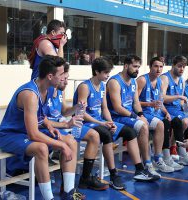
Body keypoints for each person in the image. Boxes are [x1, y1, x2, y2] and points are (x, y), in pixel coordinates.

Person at [0, 55, 85, 200]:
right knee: (42, 148)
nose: (64, 77)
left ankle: (69, 192)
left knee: (70, 140)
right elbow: (34, 135)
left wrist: (50, 125)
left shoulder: (48, 89)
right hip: (11, 135)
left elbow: (41, 114)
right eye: (62, 74)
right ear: (50, 76)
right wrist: (61, 145)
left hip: (26, 132)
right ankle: (49, 198)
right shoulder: (30, 94)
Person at [74, 57, 160, 185]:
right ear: (97, 72)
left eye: (109, 72)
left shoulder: (102, 85)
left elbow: (105, 108)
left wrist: (110, 122)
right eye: (105, 73)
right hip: (85, 123)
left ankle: (139, 170)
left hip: (99, 121)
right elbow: (81, 113)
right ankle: (114, 174)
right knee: (106, 133)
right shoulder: (85, 87)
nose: (108, 75)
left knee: (130, 133)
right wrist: (102, 123)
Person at [43, 63, 110, 191]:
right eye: (65, 78)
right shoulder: (46, 91)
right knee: (71, 142)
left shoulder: (60, 91)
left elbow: (64, 112)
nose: (67, 82)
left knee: (94, 136)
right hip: (51, 128)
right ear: (56, 76)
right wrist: (65, 124)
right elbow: (41, 120)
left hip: (62, 125)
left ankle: (85, 178)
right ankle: (67, 186)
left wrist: (76, 108)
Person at [106, 55, 161, 177]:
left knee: (153, 123)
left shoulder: (133, 82)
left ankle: (155, 159)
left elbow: (136, 102)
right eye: (135, 66)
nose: (137, 70)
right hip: (116, 117)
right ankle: (147, 164)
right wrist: (136, 117)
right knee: (143, 126)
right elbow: (117, 108)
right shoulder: (114, 82)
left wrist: (141, 114)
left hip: (129, 116)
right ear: (126, 66)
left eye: (138, 67)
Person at [136, 56, 183, 172]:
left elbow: (160, 101)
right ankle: (158, 159)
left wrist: (166, 112)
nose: (158, 69)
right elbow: (134, 102)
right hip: (144, 113)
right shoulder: (142, 80)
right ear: (150, 67)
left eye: (161, 67)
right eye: (156, 66)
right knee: (161, 124)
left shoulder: (160, 82)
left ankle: (169, 157)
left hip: (154, 113)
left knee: (173, 121)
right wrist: (149, 104)